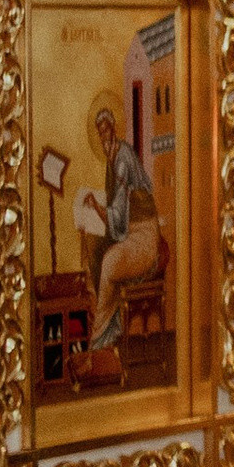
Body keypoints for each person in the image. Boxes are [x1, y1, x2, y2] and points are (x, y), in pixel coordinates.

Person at [80, 103, 163, 352]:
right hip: (130, 232)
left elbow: (118, 212)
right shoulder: (112, 158)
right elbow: (117, 212)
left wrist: (95, 205)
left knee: (109, 263)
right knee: (93, 250)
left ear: (113, 128)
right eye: (99, 132)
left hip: (143, 237)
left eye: (106, 130)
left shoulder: (123, 158)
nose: (103, 135)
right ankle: (111, 324)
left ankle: (100, 338)